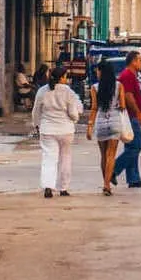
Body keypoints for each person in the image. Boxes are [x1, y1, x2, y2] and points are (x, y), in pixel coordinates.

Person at [31, 65, 83, 199]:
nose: (67, 79)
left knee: (49, 158)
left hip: (47, 129)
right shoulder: (68, 92)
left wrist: (37, 125)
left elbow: (36, 110)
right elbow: (73, 113)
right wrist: (75, 119)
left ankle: (48, 187)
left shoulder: (43, 91)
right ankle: (63, 188)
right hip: (66, 130)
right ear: (62, 77)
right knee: (65, 158)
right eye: (66, 76)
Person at [86, 60, 126, 196]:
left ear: (101, 72)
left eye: (98, 70)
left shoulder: (94, 88)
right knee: (111, 155)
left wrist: (89, 126)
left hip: (101, 123)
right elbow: (123, 106)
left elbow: (94, 108)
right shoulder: (119, 86)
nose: (96, 73)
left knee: (103, 155)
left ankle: (106, 183)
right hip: (115, 122)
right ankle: (106, 185)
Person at [112, 51, 141, 188]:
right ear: (133, 61)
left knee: (131, 147)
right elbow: (128, 96)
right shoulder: (127, 75)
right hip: (130, 116)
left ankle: (133, 178)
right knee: (135, 146)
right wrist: (138, 114)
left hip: (131, 116)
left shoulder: (131, 75)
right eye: (139, 60)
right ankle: (113, 170)